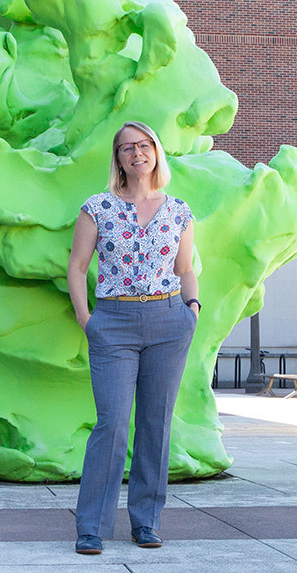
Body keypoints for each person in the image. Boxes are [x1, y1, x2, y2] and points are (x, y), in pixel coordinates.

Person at [67, 121, 199, 555]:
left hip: (168, 319)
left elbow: (185, 269)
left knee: (155, 425)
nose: (136, 153)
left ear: (156, 152)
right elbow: (77, 267)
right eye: (127, 148)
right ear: (118, 158)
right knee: (112, 423)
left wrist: (191, 310)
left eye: (143, 145)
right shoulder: (97, 207)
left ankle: (146, 521)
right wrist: (88, 319)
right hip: (114, 321)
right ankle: (91, 526)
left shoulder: (178, 210)